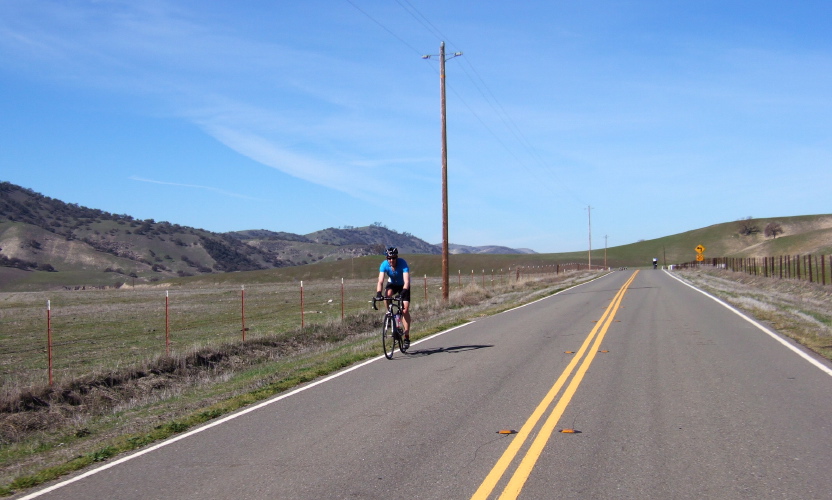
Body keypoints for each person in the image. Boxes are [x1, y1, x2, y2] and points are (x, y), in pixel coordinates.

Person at [376, 247, 411, 348]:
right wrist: (379, 293)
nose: (391, 260)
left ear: (396, 257)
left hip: (404, 285)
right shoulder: (384, 265)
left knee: (405, 310)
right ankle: (389, 314)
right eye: (389, 258)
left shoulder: (402, 263)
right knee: (387, 295)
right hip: (392, 284)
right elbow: (380, 281)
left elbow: (407, 281)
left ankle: (407, 337)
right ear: (387, 258)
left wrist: (403, 292)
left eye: (393, 258)